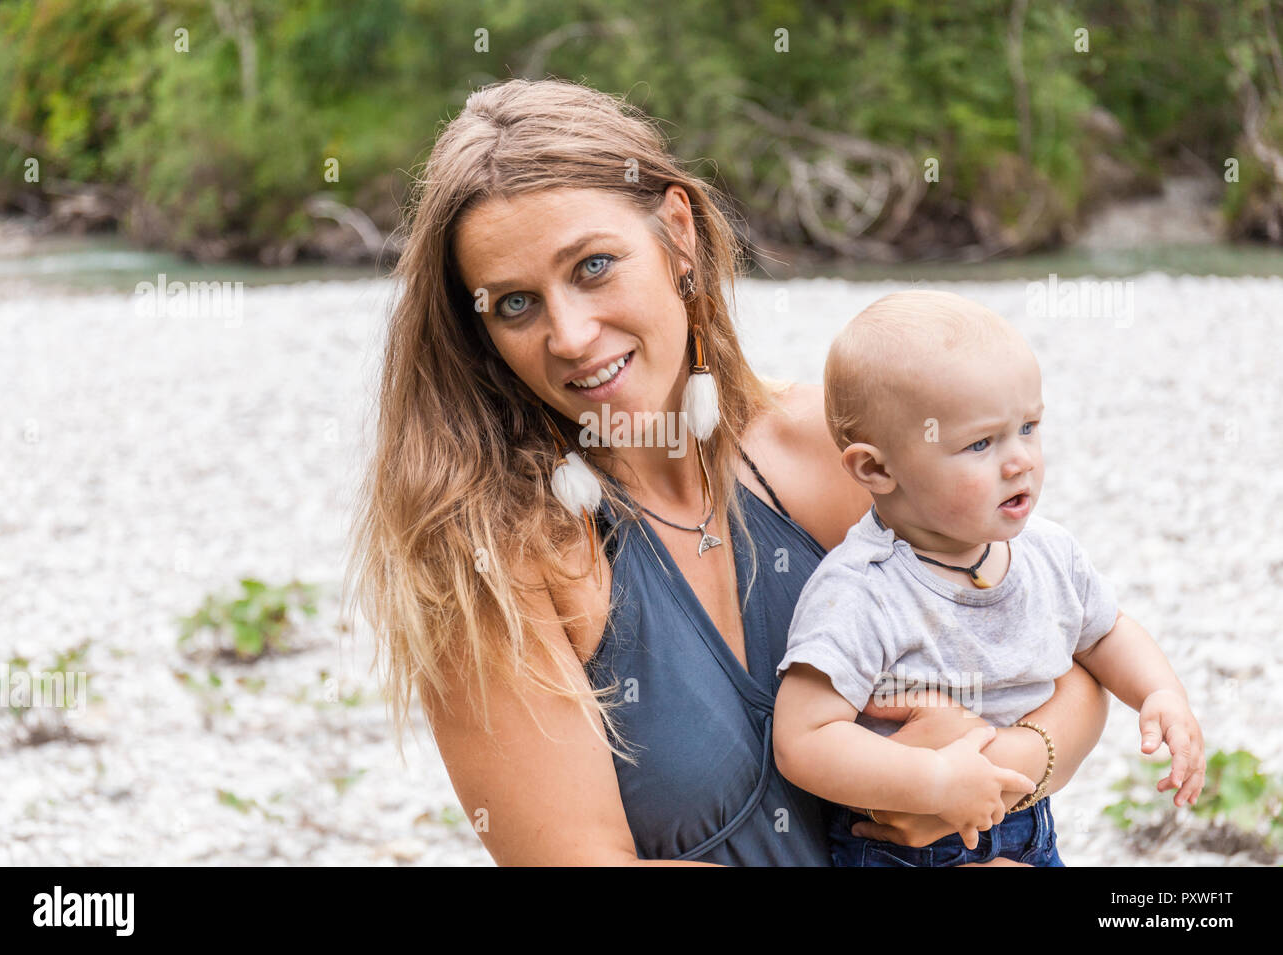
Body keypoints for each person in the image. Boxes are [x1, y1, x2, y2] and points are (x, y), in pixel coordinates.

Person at [345, 77, 1112, 866]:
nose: (570, 335)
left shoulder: (835, 450)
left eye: (594, 266)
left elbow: (1080, 667)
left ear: (677, 235)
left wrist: (985, 779)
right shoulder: (496, 559)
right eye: (515, 305)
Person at [773, 290, 1206, 867]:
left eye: (1028, 427)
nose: (1019, 460)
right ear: (877, 468)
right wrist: (931, 780)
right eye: (980, 443)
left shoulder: (1047, 552)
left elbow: (1104, 633)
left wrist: (1160, 693)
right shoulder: (863, 589)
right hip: (910, 847)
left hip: (1029, 826)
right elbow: (804, 739)